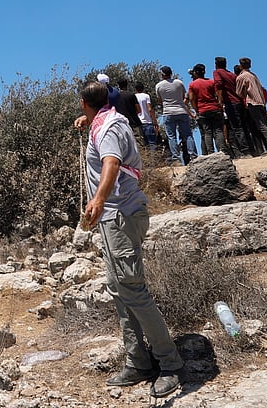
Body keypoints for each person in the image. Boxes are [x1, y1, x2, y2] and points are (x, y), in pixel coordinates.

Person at [74, 81, 182, 398]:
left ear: (83, 102)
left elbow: (111, 162)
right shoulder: (107, 120)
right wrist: (86, 120)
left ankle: (170, 363)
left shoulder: (107, 129)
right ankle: (138, 361)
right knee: (119, 290)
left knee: (133, 290)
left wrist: (98, 198)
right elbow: (102, 134)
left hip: (119, 215)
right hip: (116, 217)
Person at [212, 57, 251, 157]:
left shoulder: (217, 72)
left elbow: (219, 85)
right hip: (239, 102)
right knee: (243, 127)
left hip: (230, 102)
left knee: (237, 128)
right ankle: (251, 149)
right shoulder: (231, 75)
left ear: (216, 64)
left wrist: (220, 101)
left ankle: (245, 151)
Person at [155, 67, 193, 164]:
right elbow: (185, 96)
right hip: (181, 111)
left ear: (163, 74)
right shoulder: (179, 83)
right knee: (187, 135)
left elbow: (160, 100)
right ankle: (193, 156)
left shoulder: (159, 85)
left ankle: (176, 158)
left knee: (172, 137)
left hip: (168, 112)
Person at [235, 58, 267, 155]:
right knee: (264, 124)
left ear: (241, 66)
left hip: (252, 102)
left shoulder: (241, 77)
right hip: (261, 102)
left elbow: (239, 92)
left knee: (260, 125)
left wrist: (245, 95)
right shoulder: (254, 75)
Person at [187, 64, 224, 156]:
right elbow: (218, 93)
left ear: (195, 72)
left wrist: (196, 109)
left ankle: (211, 152)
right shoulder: (211, 82)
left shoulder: (193, 84)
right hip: (214, 107)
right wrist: (219, 104)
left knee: (207, 132)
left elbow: (191, 98)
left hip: (202, 109)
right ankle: (221, 151)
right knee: (218, 131)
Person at [133, 82, 161, 154]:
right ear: (143, 89)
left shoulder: (133, 96)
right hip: (148, 122)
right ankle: (154, 160)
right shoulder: (146, 96)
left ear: (135, 89)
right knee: (152, 143)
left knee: (142, 144)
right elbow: (150, 109)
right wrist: (154, 121)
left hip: (138, 123)